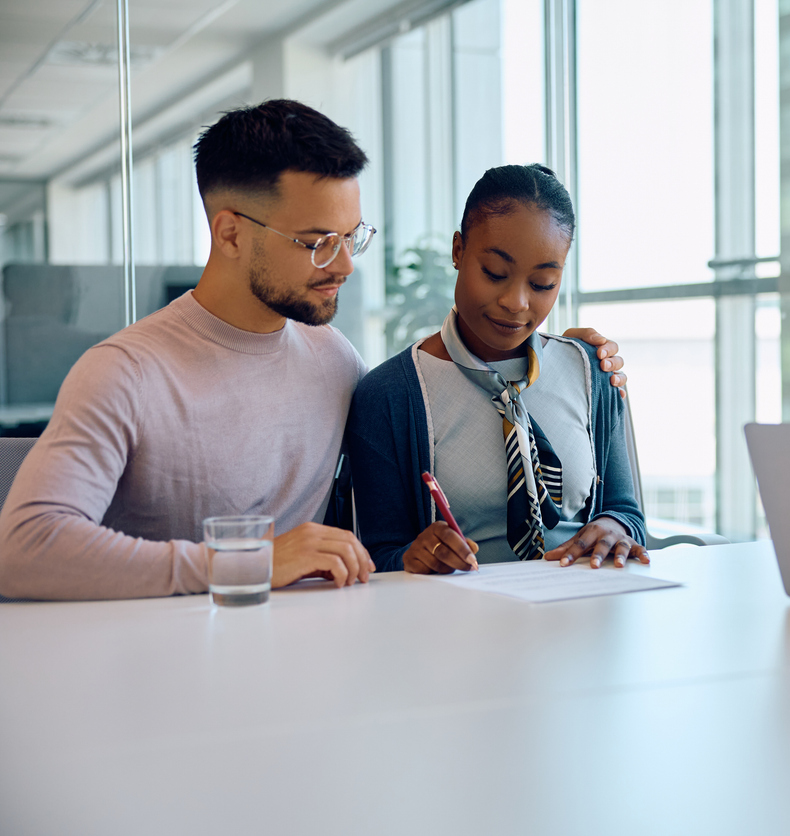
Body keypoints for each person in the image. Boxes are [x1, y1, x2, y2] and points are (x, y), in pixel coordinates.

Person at [0, 101, 627, 601]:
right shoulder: (125, 372)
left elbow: (447, 382)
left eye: (351, 236)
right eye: (318, 242)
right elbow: (23, 547)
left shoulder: (336, 363)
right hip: (166, 668)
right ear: (230, 233)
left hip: (313, 662)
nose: (346, 265)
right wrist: (248, 562)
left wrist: (564, 356)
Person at [346, 164, 647, 575]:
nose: (516, 302)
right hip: (459, 611)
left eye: (542, 284)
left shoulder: (590, 370)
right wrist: (412, 558)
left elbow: (626, 512)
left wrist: (615, 527)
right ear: (458, 251)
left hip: (582, 600)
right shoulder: (389, 395)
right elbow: (376, 556)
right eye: (495, 274)